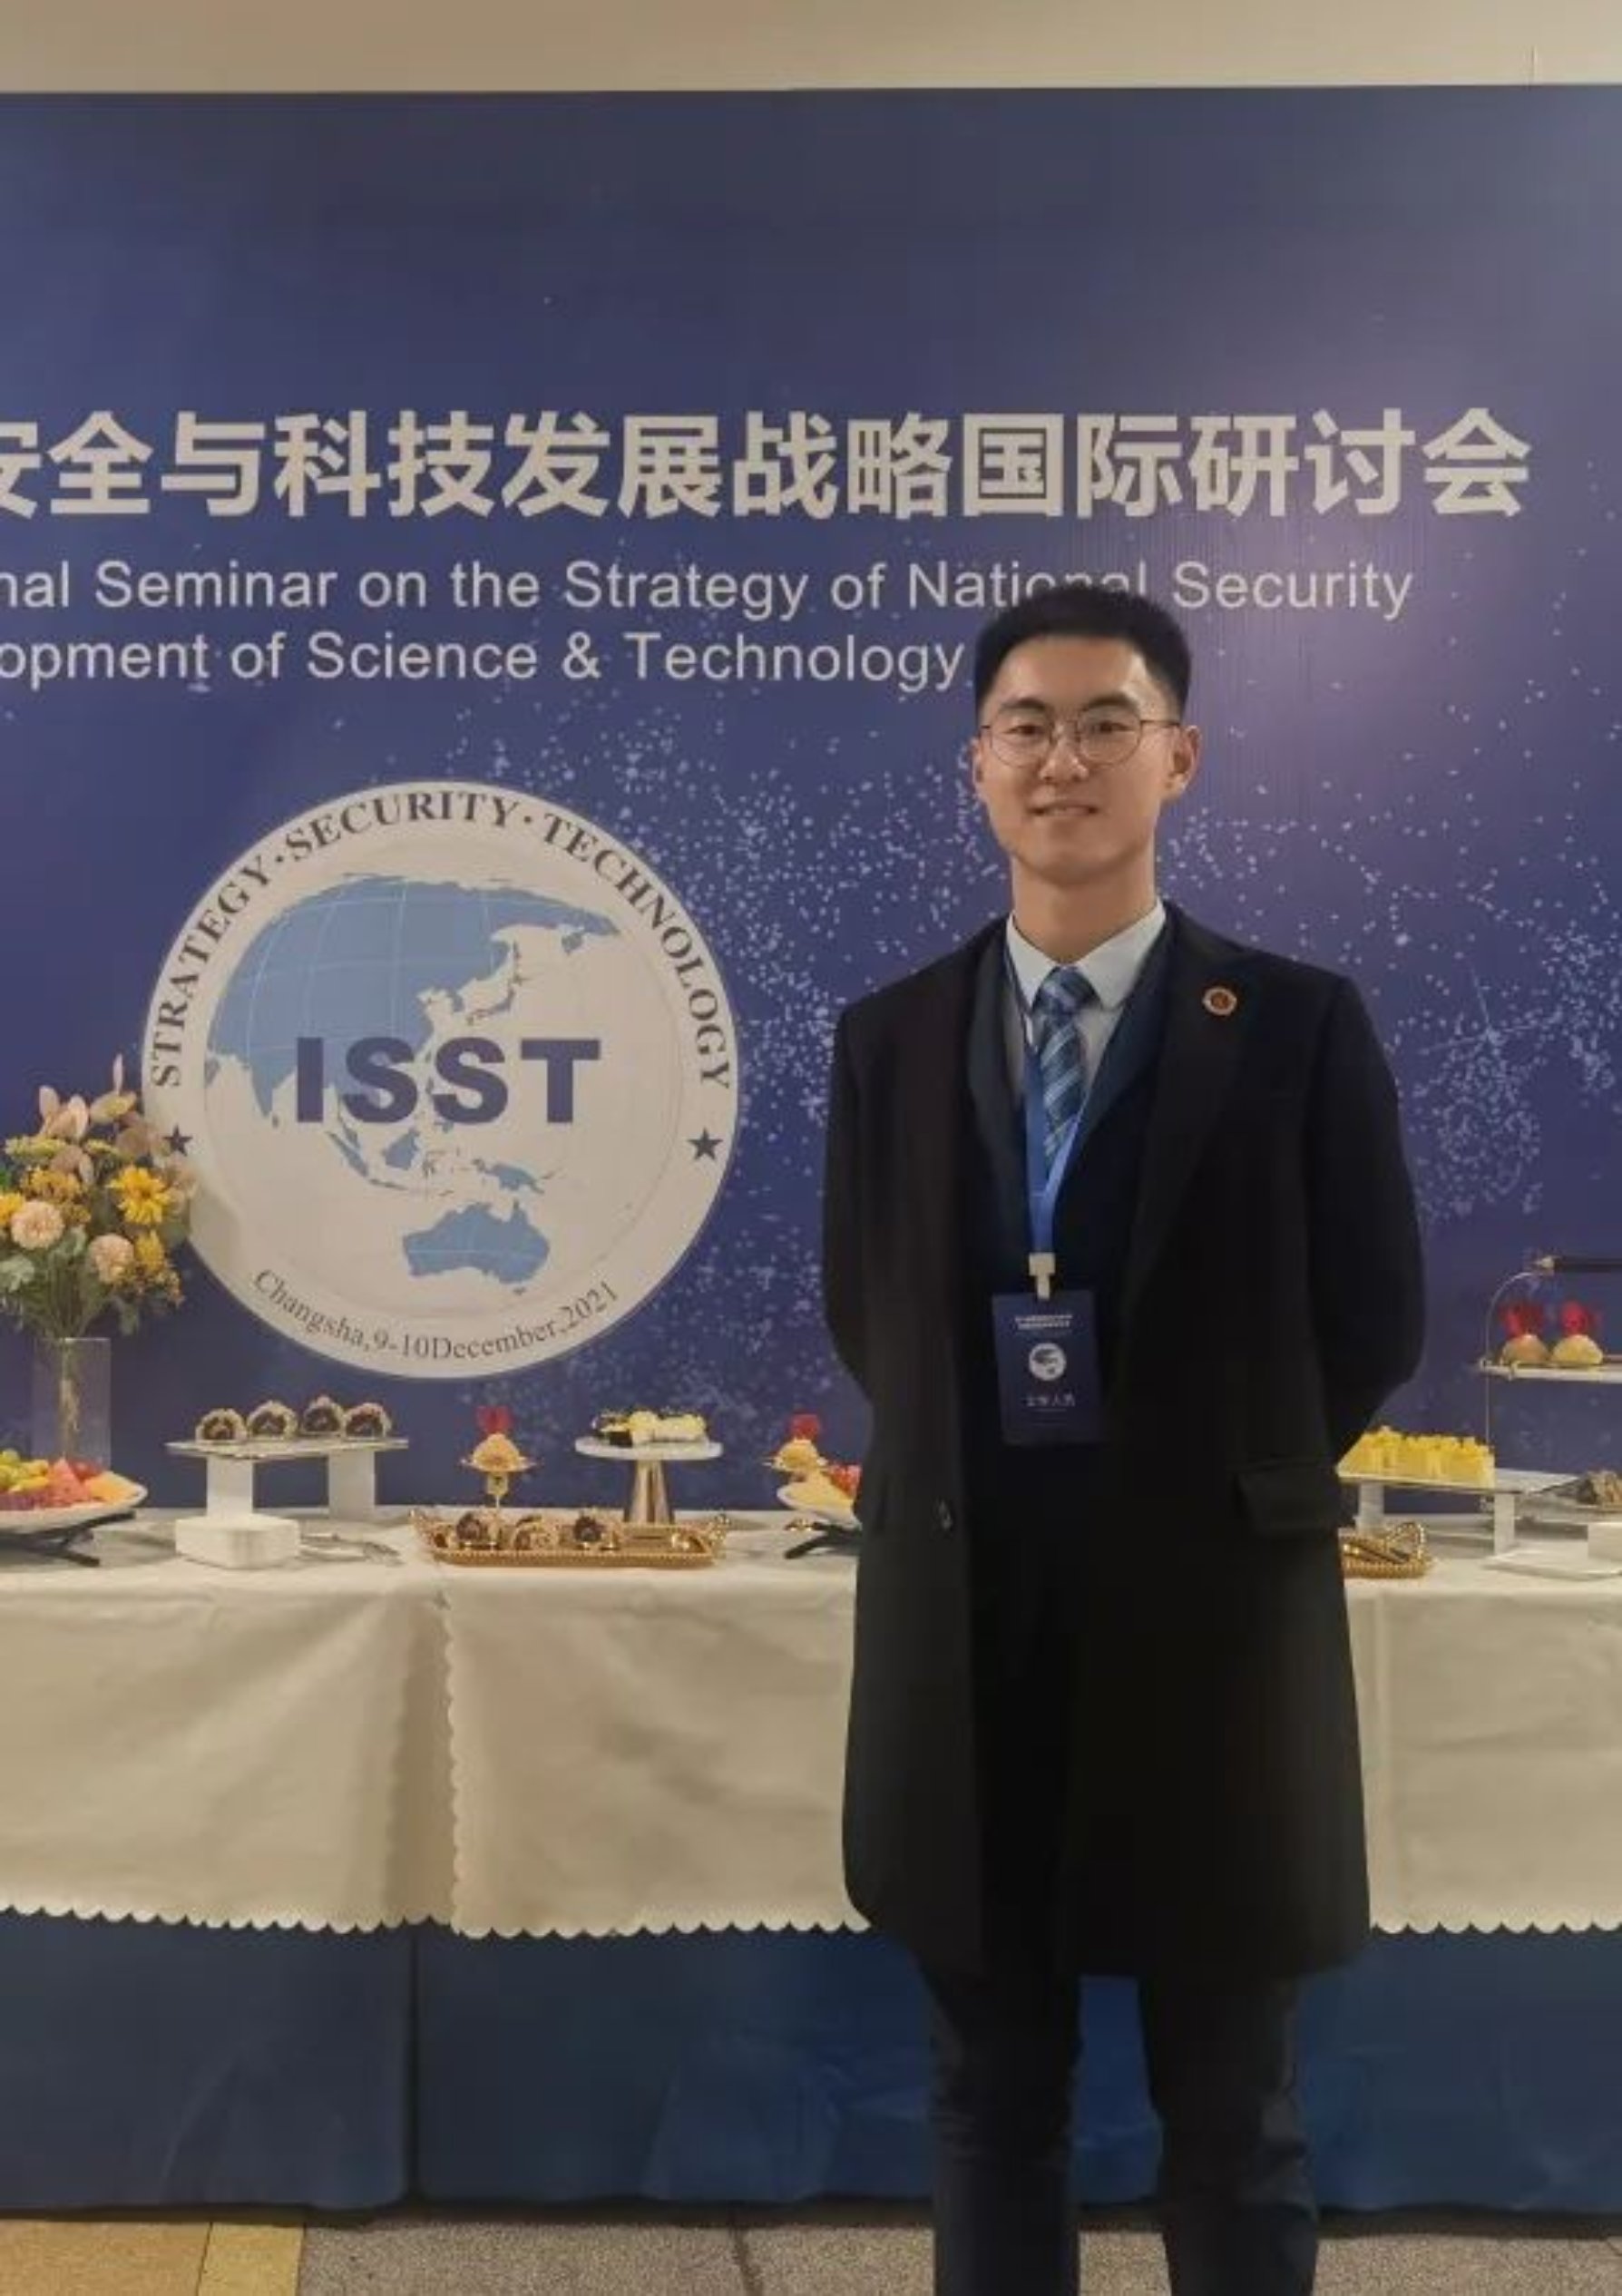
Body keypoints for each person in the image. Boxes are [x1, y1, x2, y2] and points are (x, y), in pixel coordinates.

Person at [820, 585, 1424, 2296]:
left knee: (1231, 2112)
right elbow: (869, 1311)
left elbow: (1372, 1317)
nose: (1062, 761)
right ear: (977, 766)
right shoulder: (892, 1037)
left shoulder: (1295, 1025)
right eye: (1025, 726)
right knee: (990, 2097)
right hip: (969, 1631)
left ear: (1180, 757)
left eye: (1106, 724)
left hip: (1210, 1634)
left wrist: (1203, 1484)